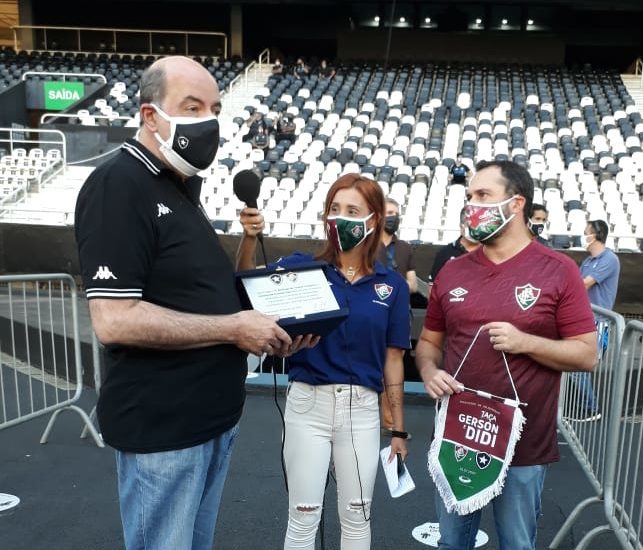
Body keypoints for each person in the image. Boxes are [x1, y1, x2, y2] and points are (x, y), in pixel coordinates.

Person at [74, 56, 297, 550]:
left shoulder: (179, 188)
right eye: (192, 107)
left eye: (214, 109)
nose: (208, 121)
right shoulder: (119, 183)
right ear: (150, 116)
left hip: (210, 419)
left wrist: (264, 317)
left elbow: (205, 294)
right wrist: (233, 329)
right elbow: (115, 320)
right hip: (165, 428)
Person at [415, 159, 597, 550]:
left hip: (524, 444)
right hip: (458, 437)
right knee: (451, 543)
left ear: (516, 204)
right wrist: (429, 371)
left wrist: (525, 342)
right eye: (469, 196)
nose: (472, 205)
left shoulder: (559, 270)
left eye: (483, 195)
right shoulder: (452, 271)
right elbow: (429, 342)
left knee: (517, 544)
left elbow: (587, 355)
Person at [242, 173, 410, 550]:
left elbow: (393, 358)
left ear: (374, 219)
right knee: (303, 517)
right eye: (335, 208)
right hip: (307, 405)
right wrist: (249, 240)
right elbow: (250, 287)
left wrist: (398, 430)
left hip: (362, 411)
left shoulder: (393, 285)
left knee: (358, 515)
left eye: (352, 210)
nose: (340, 218)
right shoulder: (302, 268)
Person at [572, 219, 621, 420]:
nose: (584, 236)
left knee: (580, 366)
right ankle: (585, 407)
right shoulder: (587, 261)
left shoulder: (609, 259)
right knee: (575, 366)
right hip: (584, 320)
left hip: (598, 322)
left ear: (596, 235)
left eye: (587, 233)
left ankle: (592, 409)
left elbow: (582, 285)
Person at [376, 197, 416, 434]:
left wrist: (393, 286)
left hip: (399, 312)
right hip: (374, 311)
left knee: (393, 366)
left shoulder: (405, 248)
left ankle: (391, 423)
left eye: (395, 213)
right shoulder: (368, 245)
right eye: (389, 212)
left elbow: (413, 283)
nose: (393, 217)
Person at [427, 206, 480, 292]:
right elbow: (433, 289)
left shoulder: (490, 251)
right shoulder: (445, 253)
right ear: (461, 226)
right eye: (471, 225)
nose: (475, 229)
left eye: (478, 225)